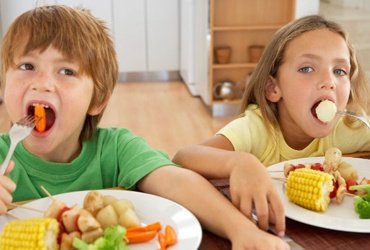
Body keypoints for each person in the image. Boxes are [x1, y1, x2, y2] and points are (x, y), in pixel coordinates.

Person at [0, 5, 289, 250]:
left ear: (98, 99)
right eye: (27, 66)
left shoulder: (117, 149)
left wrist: (241, 230)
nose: (42, 83)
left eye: (67, 71)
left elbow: (178, 182)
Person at [173, 13, 370, 242]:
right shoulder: (257, 128)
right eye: (307, 69)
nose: (329, 81)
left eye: (340, 71)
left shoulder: (351, 127)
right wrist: (239, 162)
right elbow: (183, 157)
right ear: (272, 88)